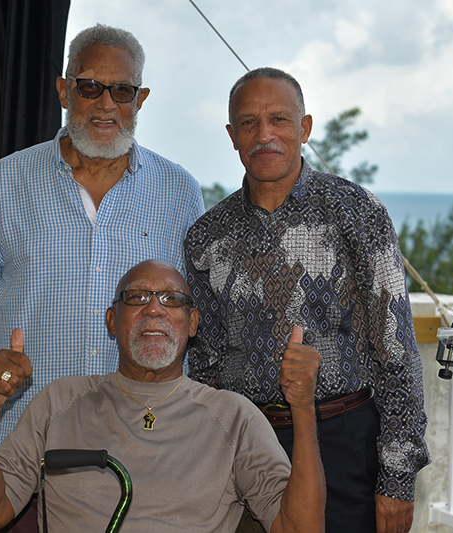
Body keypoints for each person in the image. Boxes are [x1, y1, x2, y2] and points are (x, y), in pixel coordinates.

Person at [0, 23, 204, 525]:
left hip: (145, 454)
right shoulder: (5, 183)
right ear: (63, 90)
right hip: (25, 459)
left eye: (121, 90)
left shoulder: (178, 191)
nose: (105, 104)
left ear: (140, 99)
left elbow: (193, 327)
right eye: (89, 86)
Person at [184, 67, 431, 533]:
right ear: (232, 135)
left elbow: (395, 353)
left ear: (305, 128)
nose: (265, 135)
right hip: (245, 446)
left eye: (279, 119)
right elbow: (207, 364)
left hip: (341, 441)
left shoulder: (357, 213)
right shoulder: (206, 236)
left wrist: (397, 479)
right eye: (249, 123)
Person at [0, 259, 325, 533]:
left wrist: (303, 408)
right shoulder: (59, 402)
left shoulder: (233, 416)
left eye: (170, 298)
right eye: (137, 298)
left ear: (193, 322)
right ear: (112, 321)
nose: (154, 309)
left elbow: (300, 529)